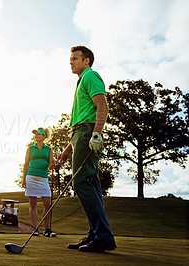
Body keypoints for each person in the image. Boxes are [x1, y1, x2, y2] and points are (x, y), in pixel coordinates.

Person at [57, 45, 117, 252]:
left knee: (82, 183)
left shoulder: (90, 76)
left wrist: (97, 133)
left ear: (87, 61)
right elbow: (80, 122)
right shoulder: (81, 81)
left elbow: (102, 106)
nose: (71, 61)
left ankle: (102, 236)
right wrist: (67, 150)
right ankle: (96, 234)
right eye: (70, 59)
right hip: (80, 135)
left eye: (75, 58)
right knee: (90, 184)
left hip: (87, 134)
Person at [22, 127, 57, 237]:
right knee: (33, 204)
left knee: (48, 204)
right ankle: (35, 228)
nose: (36, 136)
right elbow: (26, 164)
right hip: (31, 177)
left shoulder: (49, 149)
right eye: (35, 134)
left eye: (39, 134)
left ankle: (46, 229)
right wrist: (23, 178)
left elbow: (52, 162)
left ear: (43, 136)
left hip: (43, 178)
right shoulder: (30, 149)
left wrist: (54, 164)